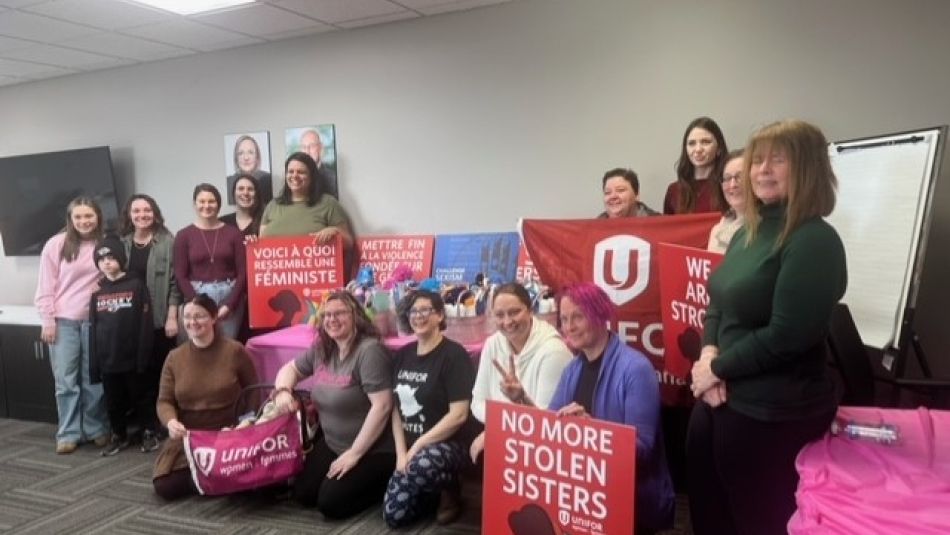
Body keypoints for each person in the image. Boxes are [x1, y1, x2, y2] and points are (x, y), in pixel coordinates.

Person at [687, 119, 846, 535]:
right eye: (758, 159)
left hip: (771, 411)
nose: (762, 169)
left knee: (755, 521)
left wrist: (717, 371)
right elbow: (717, 304)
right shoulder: (747, 233)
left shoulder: (814, 240)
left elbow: (788, 335)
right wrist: (708, 355)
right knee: (709, 512)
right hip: (719, 396)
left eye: (778, 159)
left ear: (807, 167)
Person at [547, 283, 674, 534]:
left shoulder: (636, 368)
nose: (569, 327)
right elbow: (547, 428)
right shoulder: (571, 370)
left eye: (577, 317)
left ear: (601, 315)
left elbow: (642, 451)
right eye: (563, 319)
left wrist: (592, 430)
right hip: (584, 498)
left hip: (630, 500)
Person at [273, 291, 394, 519]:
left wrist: (354, 454)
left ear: (356, 316)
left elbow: (383, 406)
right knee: (304, 494)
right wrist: (282, 392)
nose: (332, 319)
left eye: (339, 313)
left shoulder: (370, 352)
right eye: (327, 315)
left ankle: (385, 484)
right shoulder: (323, 349)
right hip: (333, 443)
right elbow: (290, 369)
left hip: (372, 450)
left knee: (330, 504)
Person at [383, 290, 476, 528]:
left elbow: (459, 415)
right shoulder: (403, 355)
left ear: (439, 316)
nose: (418, 316)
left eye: (426, 310)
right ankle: (427, 488)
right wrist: (401, 452)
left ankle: (449, 488)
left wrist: (418, 445)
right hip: (412, 448)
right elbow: (395, 409)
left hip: (449, 445)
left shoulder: (454, 355)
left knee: (420, 465)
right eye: (414, 311)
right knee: (395, 516)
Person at [152, 294, 259, 500]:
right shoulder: (174, 358)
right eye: (188, 317)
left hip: (228, 433)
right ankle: (215, 479)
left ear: (213, 318)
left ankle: (211, 478)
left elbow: (253, 390)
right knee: (164, 486)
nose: (192, 322)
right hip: (190, 436)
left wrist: (246, 422)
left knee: (248, 484)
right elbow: (164, 401)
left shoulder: (235, 350)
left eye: (199, 316)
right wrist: (171, 422)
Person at [34, 196, 110, 454]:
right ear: (70, 219)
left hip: (95, 321)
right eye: (78, 217)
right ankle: (68, 432)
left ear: (98, 217)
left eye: (89, 216)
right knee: (66, 381)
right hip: (63, 322)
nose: (84, 221)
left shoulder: (105, 244)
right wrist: (48, 321)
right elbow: (45, 286)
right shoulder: (56, 245)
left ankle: (95, 428)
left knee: (93, 380)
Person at [468, 283, 573, 463]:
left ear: (530, 310)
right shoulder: (493, 343)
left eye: (514, 312)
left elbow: (547, 424)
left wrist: (498, 427)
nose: (507, 322)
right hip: (504, 435)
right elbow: (477, 402)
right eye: (500, 315)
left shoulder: (553, 351)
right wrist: (500, 427)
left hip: (544, 448)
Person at [118, 194, 181, 450]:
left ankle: (160, 425)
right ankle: (144, 426)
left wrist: (171, 316)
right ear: (129, 215)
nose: (142, 215)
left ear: (155, 213)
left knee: (159, 374)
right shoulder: (121, 244)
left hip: (157, 319)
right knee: (136, 376)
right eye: (136, 211)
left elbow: (176, 284)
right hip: (129, 321)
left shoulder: (167, 242)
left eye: (147, 210)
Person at [88, 236, 154, 456]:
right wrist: (95, 364)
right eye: (102, 259)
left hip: (133, 359)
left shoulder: (137, 286)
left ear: (121, 259)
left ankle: (148, 432)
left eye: (111, 257)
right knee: (113, 402)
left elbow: (145, 325)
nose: (107, 262)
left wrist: (143, 357)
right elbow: (93, 331)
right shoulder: (97, 294)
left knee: (141, 397)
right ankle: (119, 435)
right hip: (108, 361)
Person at [173, 183, 247, 339]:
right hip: (197, 294)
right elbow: (180, 275)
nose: (206, 206)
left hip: (230, 294)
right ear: (195, 204)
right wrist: (197, 303)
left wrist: (230, 304)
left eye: (211, 201)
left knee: (226, 348)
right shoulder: (183, 235)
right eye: (201, 201)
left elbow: (243, 273)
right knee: (199, 345)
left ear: (218, 204)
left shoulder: (234, 234)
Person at [259, 152, 352, 247]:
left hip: (316, 261)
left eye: (301, 172)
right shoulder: (273, 205)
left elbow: (349, 243)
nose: (295, 176)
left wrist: (334, 231)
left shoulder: (328, 203)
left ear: (311, 177)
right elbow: (260, 243)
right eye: (290, 171)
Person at [663, 116, 729, 214]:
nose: (698, 149)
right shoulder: (674, 190)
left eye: (705, 142)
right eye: (692, 143)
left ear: (719, 148)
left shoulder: (729, 185)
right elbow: (669, 228)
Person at [707, 150, 747, 253]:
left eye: (740, 177)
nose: (732, 185)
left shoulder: (765, 230)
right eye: (727, 178)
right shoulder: (716, 230)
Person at [226, 134, 273, 206]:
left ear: (257, 157)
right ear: (236, 158)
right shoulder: (228, 182)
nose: (246, 158)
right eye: (241, 153)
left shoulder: (268, 180)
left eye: (250, 152)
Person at [220, 173, 263, 238]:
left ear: (256, 194)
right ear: (233, 194)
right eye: (241, 189)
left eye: (250, 189)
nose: (245, 193)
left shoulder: (265, 222)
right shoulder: (222, 223)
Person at [299, 128, 338, 198]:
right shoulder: (295, 180)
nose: (307, 151)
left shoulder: (332, 179)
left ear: (320, 148)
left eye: (312, 146)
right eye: (304, 147)